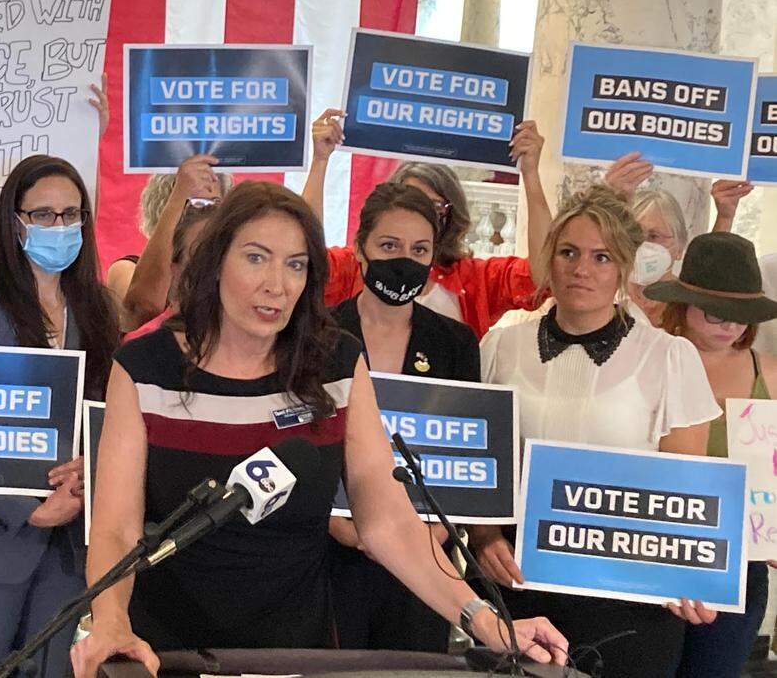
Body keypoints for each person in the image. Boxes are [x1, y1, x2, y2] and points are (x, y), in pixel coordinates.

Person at [71, 182, 568, 678]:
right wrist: (111, 621)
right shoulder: (143, 367)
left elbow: (387, 521)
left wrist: (487, 620)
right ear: (215, 262)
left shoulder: (335, 363)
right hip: (164, 648)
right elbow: (116, 526)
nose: (277, 284)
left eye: (295, 264)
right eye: (256, 258)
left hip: (295, 651)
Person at [474, 185, 721, 677]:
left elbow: (687, 492)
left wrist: (691, 576)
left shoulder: (669, 357)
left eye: (601, 256)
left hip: (628, 596)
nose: (581, 269)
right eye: (568, 252)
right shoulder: (503, 343)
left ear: (625, 267)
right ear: (550, 258)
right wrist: (482, 537)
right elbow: (481, 460)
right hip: (520, 581)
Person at [0, 154, 121, 678]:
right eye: (43, 215)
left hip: (70, 548)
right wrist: (23, 509)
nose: (58, 226)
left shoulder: (98, 309)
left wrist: (91, 466)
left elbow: (113, 415)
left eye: (70, 214)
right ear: (15, 223)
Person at [326, 181, 480, 653]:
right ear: (360, 249)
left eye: (420, 249)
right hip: (329, 555)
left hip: (425, 561)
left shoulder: (457, 342)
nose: (405, 260)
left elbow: (463, 449)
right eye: (389, 246)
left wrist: (428, 534)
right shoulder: (319, 333)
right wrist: (341, 526)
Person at [644, 232, 777, 678]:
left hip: (740, 564)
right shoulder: (648, 358)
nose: (730, 325)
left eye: (743, 315)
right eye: (717, 312)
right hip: (652, 556)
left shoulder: (770, 374)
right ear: (683, 304)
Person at [304, 109, 552, 338]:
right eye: (411, 202)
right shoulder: (358, 264)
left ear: (451, 213)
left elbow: (541, 277)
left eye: (433, 207)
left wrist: (531, 174)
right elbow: (307, 261)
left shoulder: (474, 280)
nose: (419, 216)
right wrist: (320, 161)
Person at [604, 151, 753, 326]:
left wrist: (725, 216)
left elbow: (710, 273)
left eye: (654, 236)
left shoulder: (692, 308)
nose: (642, 246)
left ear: (680, 248)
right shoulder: (602, 298)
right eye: (634, 236)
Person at [107, 154, 230, 319]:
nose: (205, 216)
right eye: (195, 204)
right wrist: (181, 192)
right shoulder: (124, 269)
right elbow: (146, 306)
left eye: (215, 204)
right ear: (164, 207)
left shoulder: (224, 274)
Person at [124, 202, 217, 341]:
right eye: (201, 255)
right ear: (175, 268)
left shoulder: (252, 337)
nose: (216, 267)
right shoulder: (144, 345)